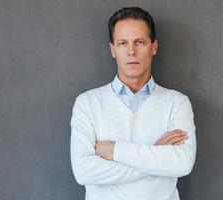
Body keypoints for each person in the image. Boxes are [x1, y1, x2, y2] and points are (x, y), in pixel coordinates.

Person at [70, 7, 196, 200]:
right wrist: (156, 155)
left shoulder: (177, 103)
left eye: (139, 42)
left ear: (153, 46)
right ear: (113, 49)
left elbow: (182, 164)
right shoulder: (87, 103)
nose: (131, 51)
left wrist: (115, 150)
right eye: (122, 43)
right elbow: (83, 172)